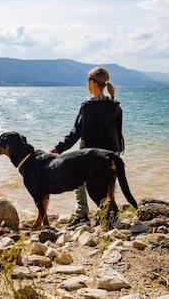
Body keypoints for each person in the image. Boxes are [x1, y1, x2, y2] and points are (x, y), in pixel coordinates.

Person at [50, 66, 124, 227]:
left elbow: (77, 131)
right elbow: (118, 131)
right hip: (112, 152)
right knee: (107, 186)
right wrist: (118, 151)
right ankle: (107, 215)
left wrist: (58, 148)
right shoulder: (115, 105)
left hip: (90, 154)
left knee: (79, 181)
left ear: (91, 83)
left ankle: (82, 214)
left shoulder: (88, 106)